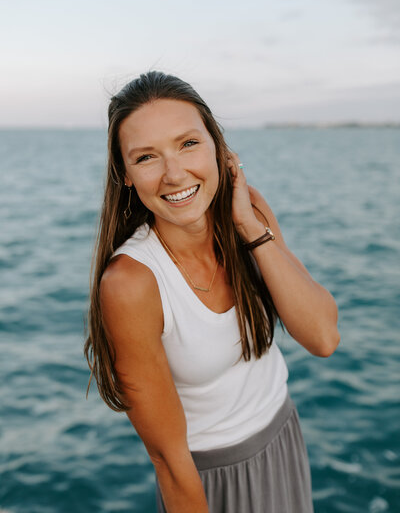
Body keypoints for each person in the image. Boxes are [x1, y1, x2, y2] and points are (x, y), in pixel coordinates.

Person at [84, 70, 340, 513]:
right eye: (146, 157)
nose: (174, 173)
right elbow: (168, 458)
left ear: (219, 148)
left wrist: (249, 228)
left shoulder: (251, 212)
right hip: (209, 480)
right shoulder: (131, 283)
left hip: (283, 437)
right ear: (124, 175)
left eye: (188, 144)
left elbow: (322, 337)